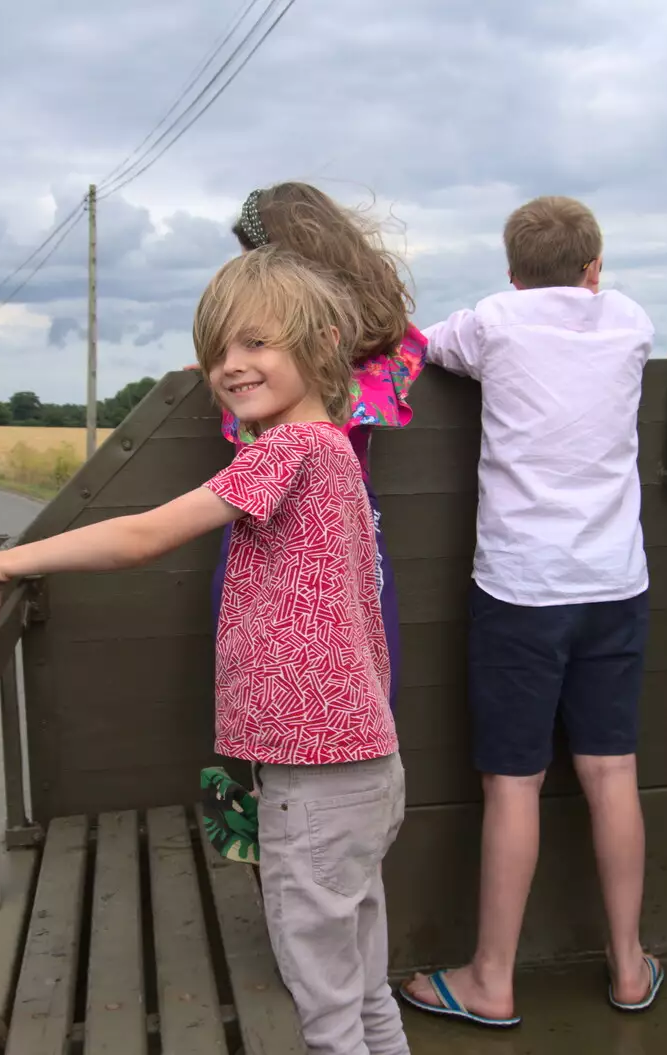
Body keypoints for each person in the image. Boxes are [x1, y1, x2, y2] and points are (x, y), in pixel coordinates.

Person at [0, 246, 409, 1055]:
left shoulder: (285, 452)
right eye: (218, 351)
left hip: (314, 775)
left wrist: (11, 559)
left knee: (328, 1008)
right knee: (363, 984)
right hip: (365, 764)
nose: (231, 366)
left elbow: (142, 535)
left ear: (323, 340)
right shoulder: (339, 452)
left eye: (256, 343)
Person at [400, 196, 660, 1027]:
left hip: (520, 589)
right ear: (595, 267)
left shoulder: (494, 321)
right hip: (615, 583)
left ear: (511, 273)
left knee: (514, 784)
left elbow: (417, 343)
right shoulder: (629, 319)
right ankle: (627, 965)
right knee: (613, 773)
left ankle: (492, 976)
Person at [200, 182, 425, 867]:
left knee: (288, 723)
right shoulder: (393, 350)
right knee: (357, 707)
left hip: (284, 544)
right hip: (356, 545)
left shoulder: (299, 416)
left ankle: (302, 894)